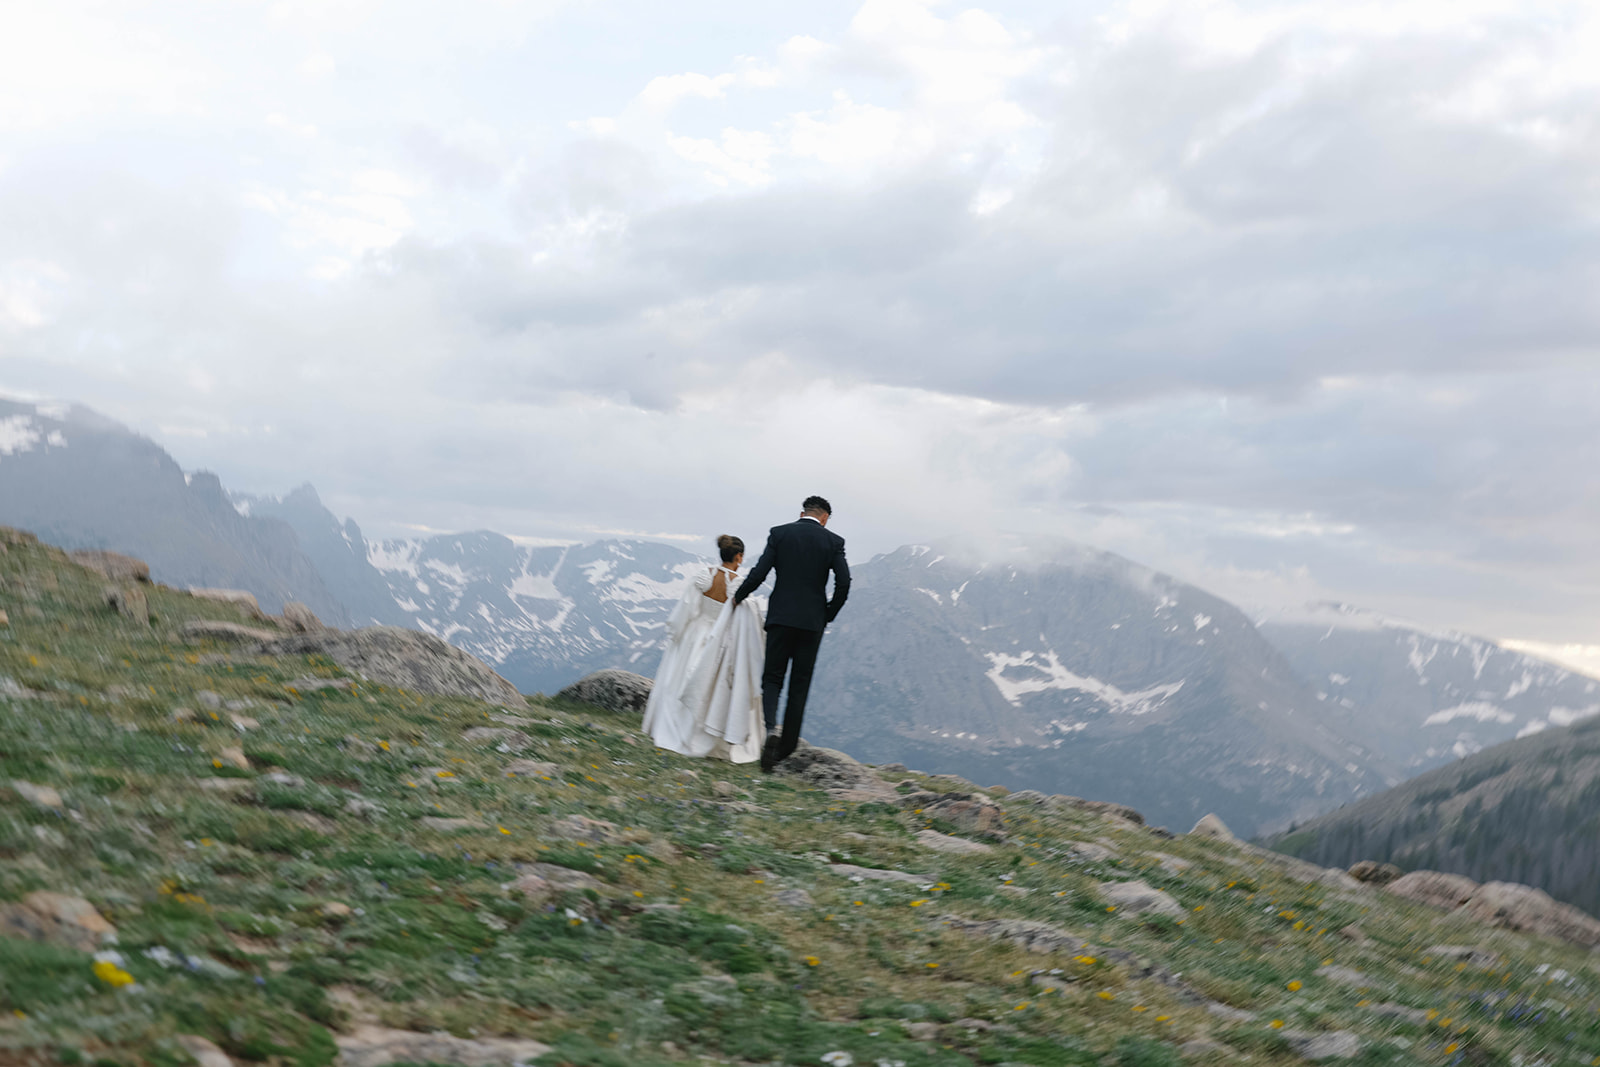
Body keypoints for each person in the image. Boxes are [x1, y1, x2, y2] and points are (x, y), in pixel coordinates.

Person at [732, 495, 850, 772]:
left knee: (772, 677)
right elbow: (844, 584)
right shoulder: (834, 542)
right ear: (824, 517)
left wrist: (739, 596)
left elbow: (760, 572)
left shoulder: (780, 533)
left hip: (781, 617)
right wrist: (827, 614)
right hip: (811, 622)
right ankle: (784, 749)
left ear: (802, 513)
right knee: (800, 683)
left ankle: (770, 728)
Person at [641, 534, 766, 763]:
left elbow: (687, 608)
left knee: (679, 682)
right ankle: (705, 735)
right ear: (739, 557)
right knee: (709, 687)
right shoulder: (738, 583)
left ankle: (673, 728)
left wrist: (677, 633)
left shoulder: (703, 576)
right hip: (719, 640)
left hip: (695, 633)